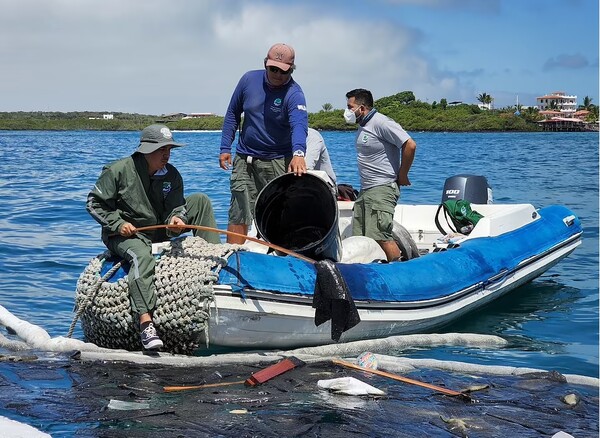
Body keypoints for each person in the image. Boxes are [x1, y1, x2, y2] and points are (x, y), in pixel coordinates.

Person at [86, 124, 220, 350]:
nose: (166, 154)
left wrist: (177, 219)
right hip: (126, 235)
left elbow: (177, 207)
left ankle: (215, 270)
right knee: (141, 255)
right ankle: (145, 324)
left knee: (201, 201)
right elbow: (93, 203)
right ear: (146, 150)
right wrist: (118, 224)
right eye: (161, 149)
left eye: (169, 149)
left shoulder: (172, 174)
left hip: (159, 230)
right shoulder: (118, 170)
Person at [219, 43, 308, 244]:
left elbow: (299, 126)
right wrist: (225, 147)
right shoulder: (248, 79)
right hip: (244, 158)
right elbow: (233, 113)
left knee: (277, 213)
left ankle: (278, 259)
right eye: (273, 69)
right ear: (265, 64)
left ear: (291, 70)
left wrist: (299, 154)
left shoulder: (294, 94)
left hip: (277, 161)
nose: (277, 74)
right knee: (238, 210)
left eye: (283, 71)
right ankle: (232, 258)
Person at [344, 88, 417, 262]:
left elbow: (410, 145)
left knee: (381, 236)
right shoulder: (363, 127)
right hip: (366, 190)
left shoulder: (381, 122)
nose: (347, 111)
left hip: (382, 189)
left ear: (361, 108)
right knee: (361, 238)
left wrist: (403, 174)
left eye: (349, 107)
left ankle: (399, 272)